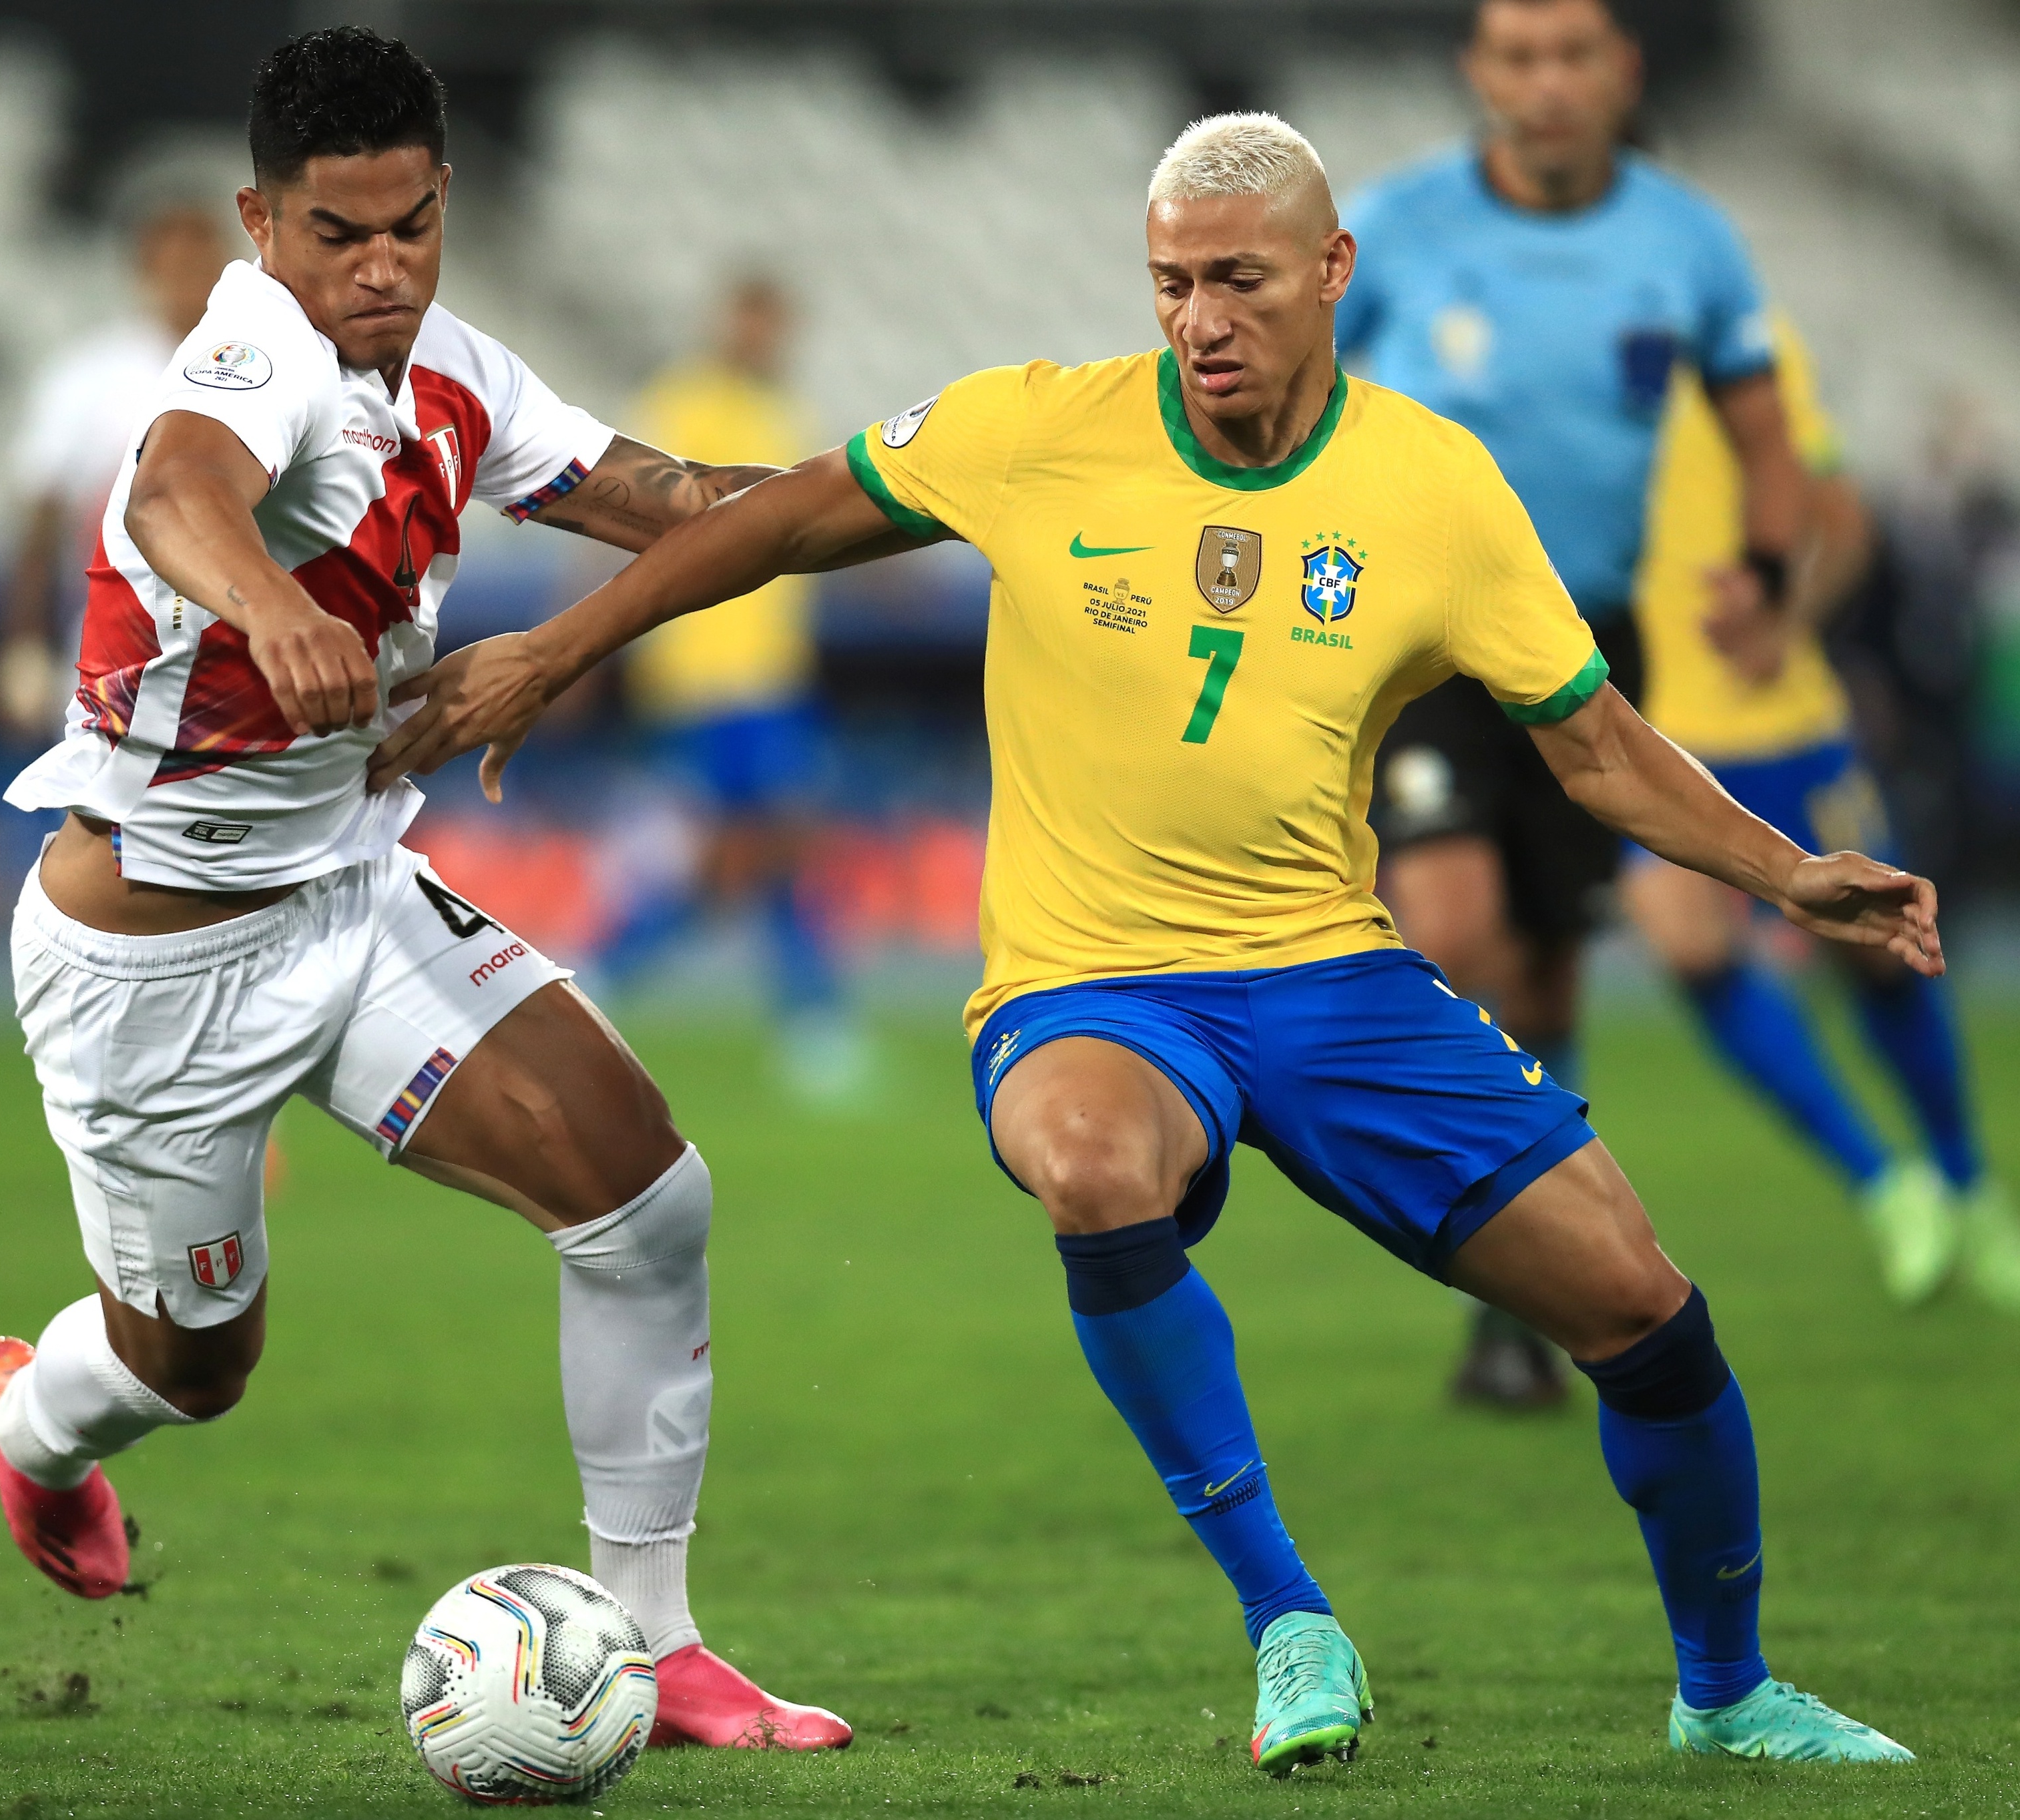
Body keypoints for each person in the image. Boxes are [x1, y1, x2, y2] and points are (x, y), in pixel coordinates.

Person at [378, 113, 1931, 1773]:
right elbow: (773, 521)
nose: (1197, 318)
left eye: (1238, 280)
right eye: (1171, 282)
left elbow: (1594, 742)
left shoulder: (1431, 485)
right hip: (1087, 986)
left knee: (1644, 1310)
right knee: (1089, 1161)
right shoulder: (1032, 429)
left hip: (1335, 974)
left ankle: (1725, 1687)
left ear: (1331, 272)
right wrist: (556, 646)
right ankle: (1286, 1616)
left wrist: (1786, 872)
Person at [0, 27, 853, 1753]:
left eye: (410, 229)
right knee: (193, 1363)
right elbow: (173, 491)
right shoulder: (253, 348)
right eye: (335, 233)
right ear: (260, 221)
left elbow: (672, 501)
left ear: (444, 204)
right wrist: (273, 605)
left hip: (350, 894)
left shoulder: (457, 370)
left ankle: (657, 1643)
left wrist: (927, 498)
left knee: (645, 1200)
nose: (376, 273)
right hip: (147, 958)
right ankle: (33, 1424)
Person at [1335, 0, 1818, 1406]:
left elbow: (1764, 436)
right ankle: (1480, 1233)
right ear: (1480, 73)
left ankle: (1513, 1297)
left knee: (1546, 977)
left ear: (1623, 72)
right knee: (1452, 923)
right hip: (1415, 635)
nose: (1545, 84)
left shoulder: (1688, 241)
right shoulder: (1396, 227)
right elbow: (1280, 382)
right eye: (1518, 57)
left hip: (1587, 643)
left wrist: (1771, 571)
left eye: (1571, 56)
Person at [1629, 320, 2020, 1310]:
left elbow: (1842, 519)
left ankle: (1968, 1184)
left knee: (1881, 947)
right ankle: (1885, 1184)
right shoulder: (1539, 383)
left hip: (1788, 723)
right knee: (1687, 944)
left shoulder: (1742, 349)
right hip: (1652, 735)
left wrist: (1784, 620)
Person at [611, 276, 864, 1096]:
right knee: (750, 853)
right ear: (729, 322)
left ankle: (613, 974)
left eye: (776, 322)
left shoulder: (787, 416)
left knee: (756, 856)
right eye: (753, 319)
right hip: (701, 676)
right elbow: (618, 513)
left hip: (771, 677)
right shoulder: (681, 403)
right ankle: (808, 1020)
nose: (764, 336)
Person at [0, 174, 238, 745]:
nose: (188, 280)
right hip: (118, 635)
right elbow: (41, 520)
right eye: (173, 263)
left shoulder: (264, 369)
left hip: (238, 635)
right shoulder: (90, 377)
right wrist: (23, 641)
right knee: (106, 817)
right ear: (144, 271)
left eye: (201, 262)